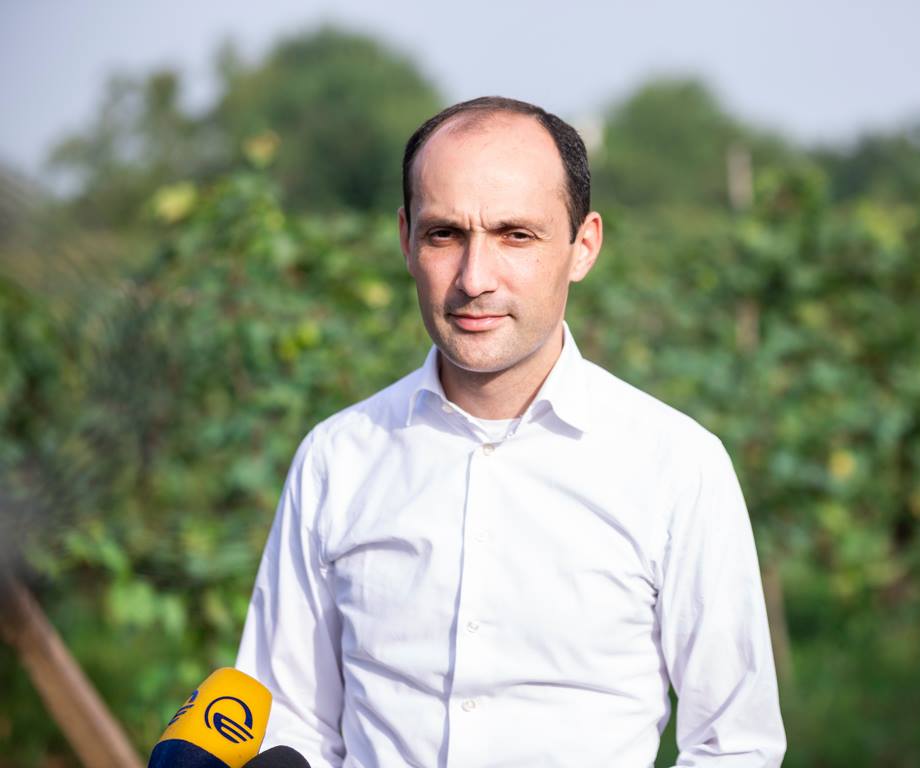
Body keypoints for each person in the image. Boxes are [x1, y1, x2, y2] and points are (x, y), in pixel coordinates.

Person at [236, 96, 786, 767]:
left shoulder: (677, 466)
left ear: (583, 247)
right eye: (445, 235)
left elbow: (734, 746)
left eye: (515, 235)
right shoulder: (337, 459)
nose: (474, 279)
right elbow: (287, 720)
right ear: (406, 240)